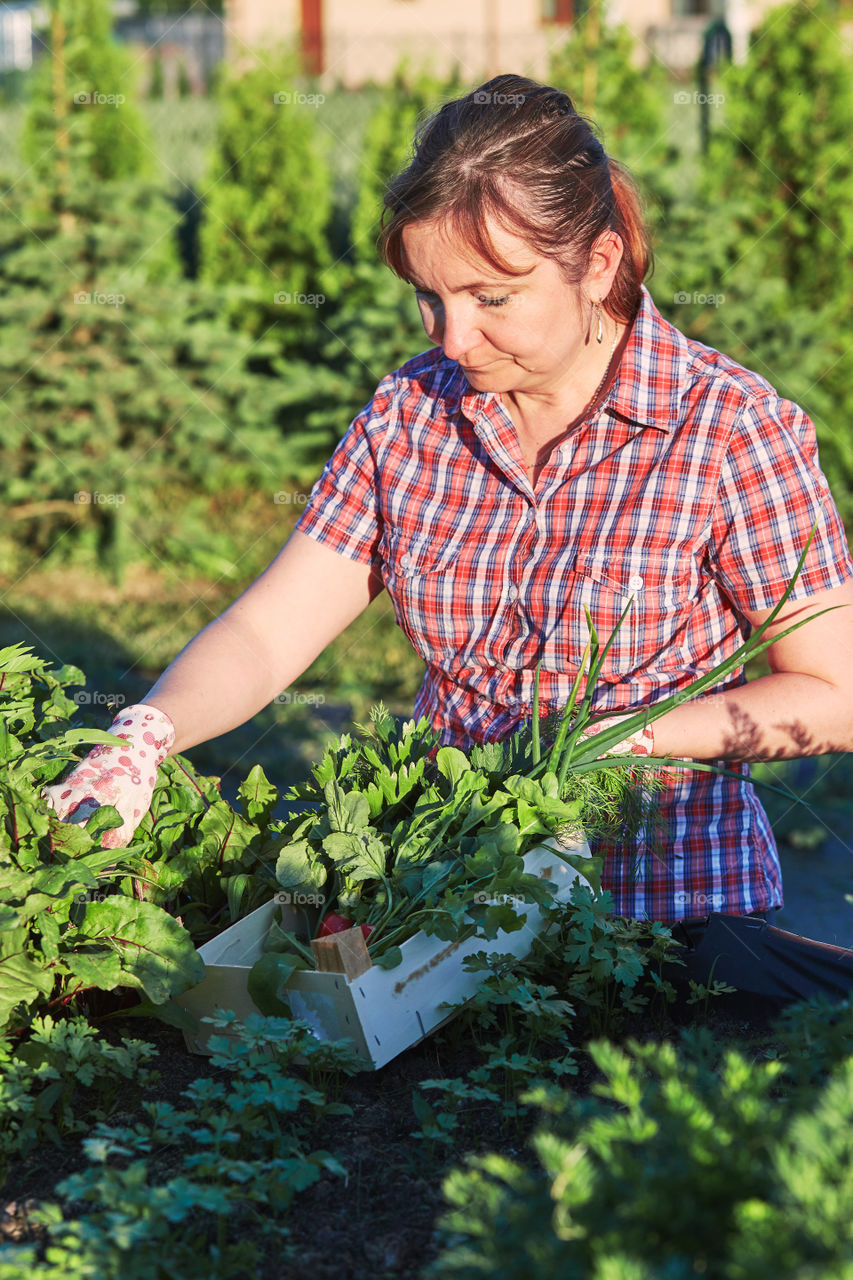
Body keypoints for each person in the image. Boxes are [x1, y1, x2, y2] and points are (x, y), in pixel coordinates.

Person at [43, 74, 853, 929]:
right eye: (429, 296)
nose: (452, 337)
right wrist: (146, 733)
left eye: (490, 298)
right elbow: (266, 632)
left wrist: (618, 742)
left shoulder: (728, 429)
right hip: (442, 902)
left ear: (597, 264)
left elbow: (834, 693)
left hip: (668, 915)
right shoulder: (411, 413)